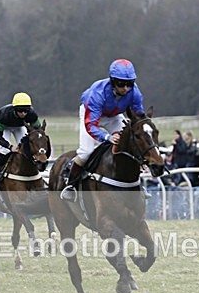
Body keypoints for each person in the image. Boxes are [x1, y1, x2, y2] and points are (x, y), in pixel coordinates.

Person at [61, 58, 145, 201]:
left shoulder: (135, 93)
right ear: (113, 81)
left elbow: (139, 118)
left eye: (129, 84)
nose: (125, 88)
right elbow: (91, 126)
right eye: (121, 83)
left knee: (131, 143)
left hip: (114, 116)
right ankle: (71, 184)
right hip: (92, 115)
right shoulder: (97, 94)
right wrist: (107, 137)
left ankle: (137, 185)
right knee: (86, 152)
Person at [0, 92, 41, 189]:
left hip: (19, 127)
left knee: (26, 148)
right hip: (6, 127)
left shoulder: (32, 114)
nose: (23, 113)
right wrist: (10, 146)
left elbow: (37, 130)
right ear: (15, 109)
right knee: (5, 151)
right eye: (20, 110)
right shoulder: (4, 116)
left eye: (26, 110)